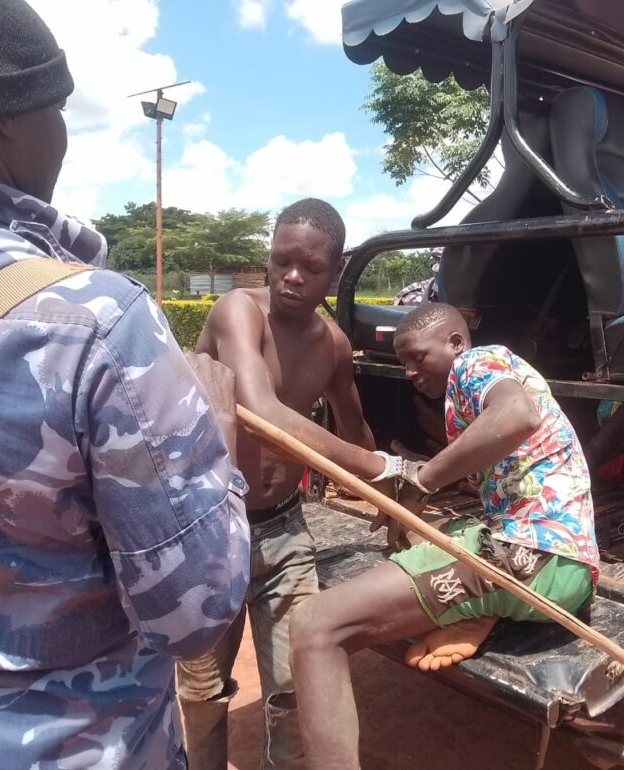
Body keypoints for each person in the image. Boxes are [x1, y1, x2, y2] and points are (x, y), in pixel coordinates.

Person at [0, 1, 250, 767]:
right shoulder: (93, 318)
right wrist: (218, 429)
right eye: (59, 109)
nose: (63, 135)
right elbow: (193, 614)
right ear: (9, 111)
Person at [289, 302, 600, 769]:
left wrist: (423, 480)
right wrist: (414, 494)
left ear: (456, 343)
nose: (410, 372)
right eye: (403, 363)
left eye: (418, 357)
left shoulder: (477, 362)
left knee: (314, 626)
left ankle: (485, 600)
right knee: (429, 535)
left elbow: (518, 415)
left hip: (531, 556)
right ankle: (484, 609)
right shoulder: (475, 390)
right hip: (559, 564)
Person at [179, 198, 390, 770]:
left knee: (296, 690)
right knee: (202, 693)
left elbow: (353, 425)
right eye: (281, 261)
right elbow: (260, 410)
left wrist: (388, 493)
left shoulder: (334, 345)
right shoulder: (238, 312)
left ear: (335, 272)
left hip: (285, 532)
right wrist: (379, 469)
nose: (293, 277)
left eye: (311, 268)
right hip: (210, 530)